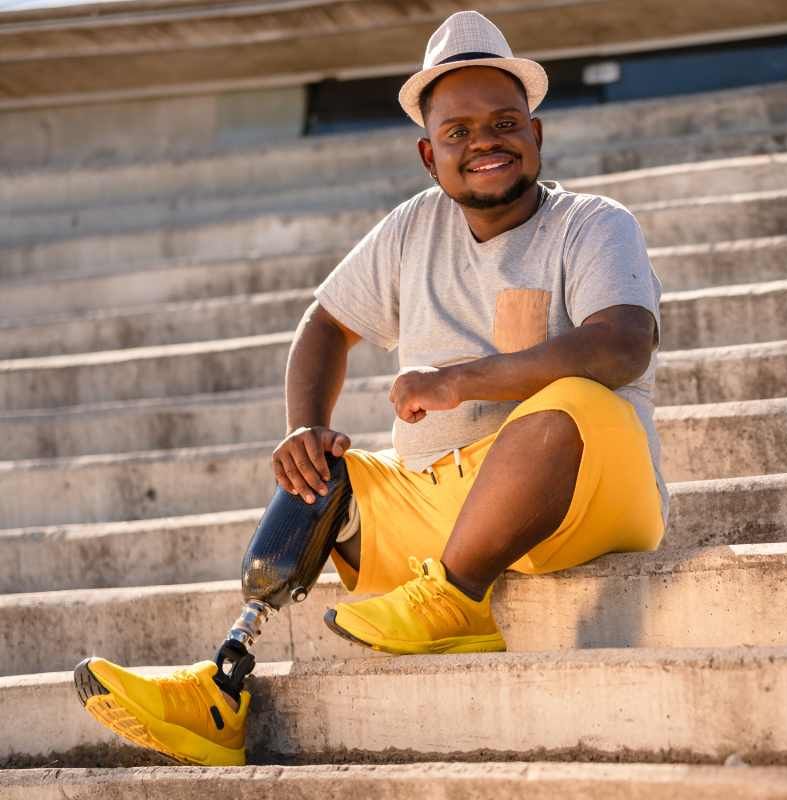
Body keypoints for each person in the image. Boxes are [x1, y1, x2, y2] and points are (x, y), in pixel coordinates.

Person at [73, 9, 667, 767]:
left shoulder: (594, 223)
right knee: (319, 469)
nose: (483, 141)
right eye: (457, 132)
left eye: (504, 122)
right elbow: (324, 323)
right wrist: (302, 427)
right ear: (429, 154)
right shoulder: (411, 229)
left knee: (576, 400)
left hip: (584, 495)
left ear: (537, 135)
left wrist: (462, 381)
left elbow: (622, 345)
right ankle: (224, 682)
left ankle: (456, 600)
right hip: (437, 506)